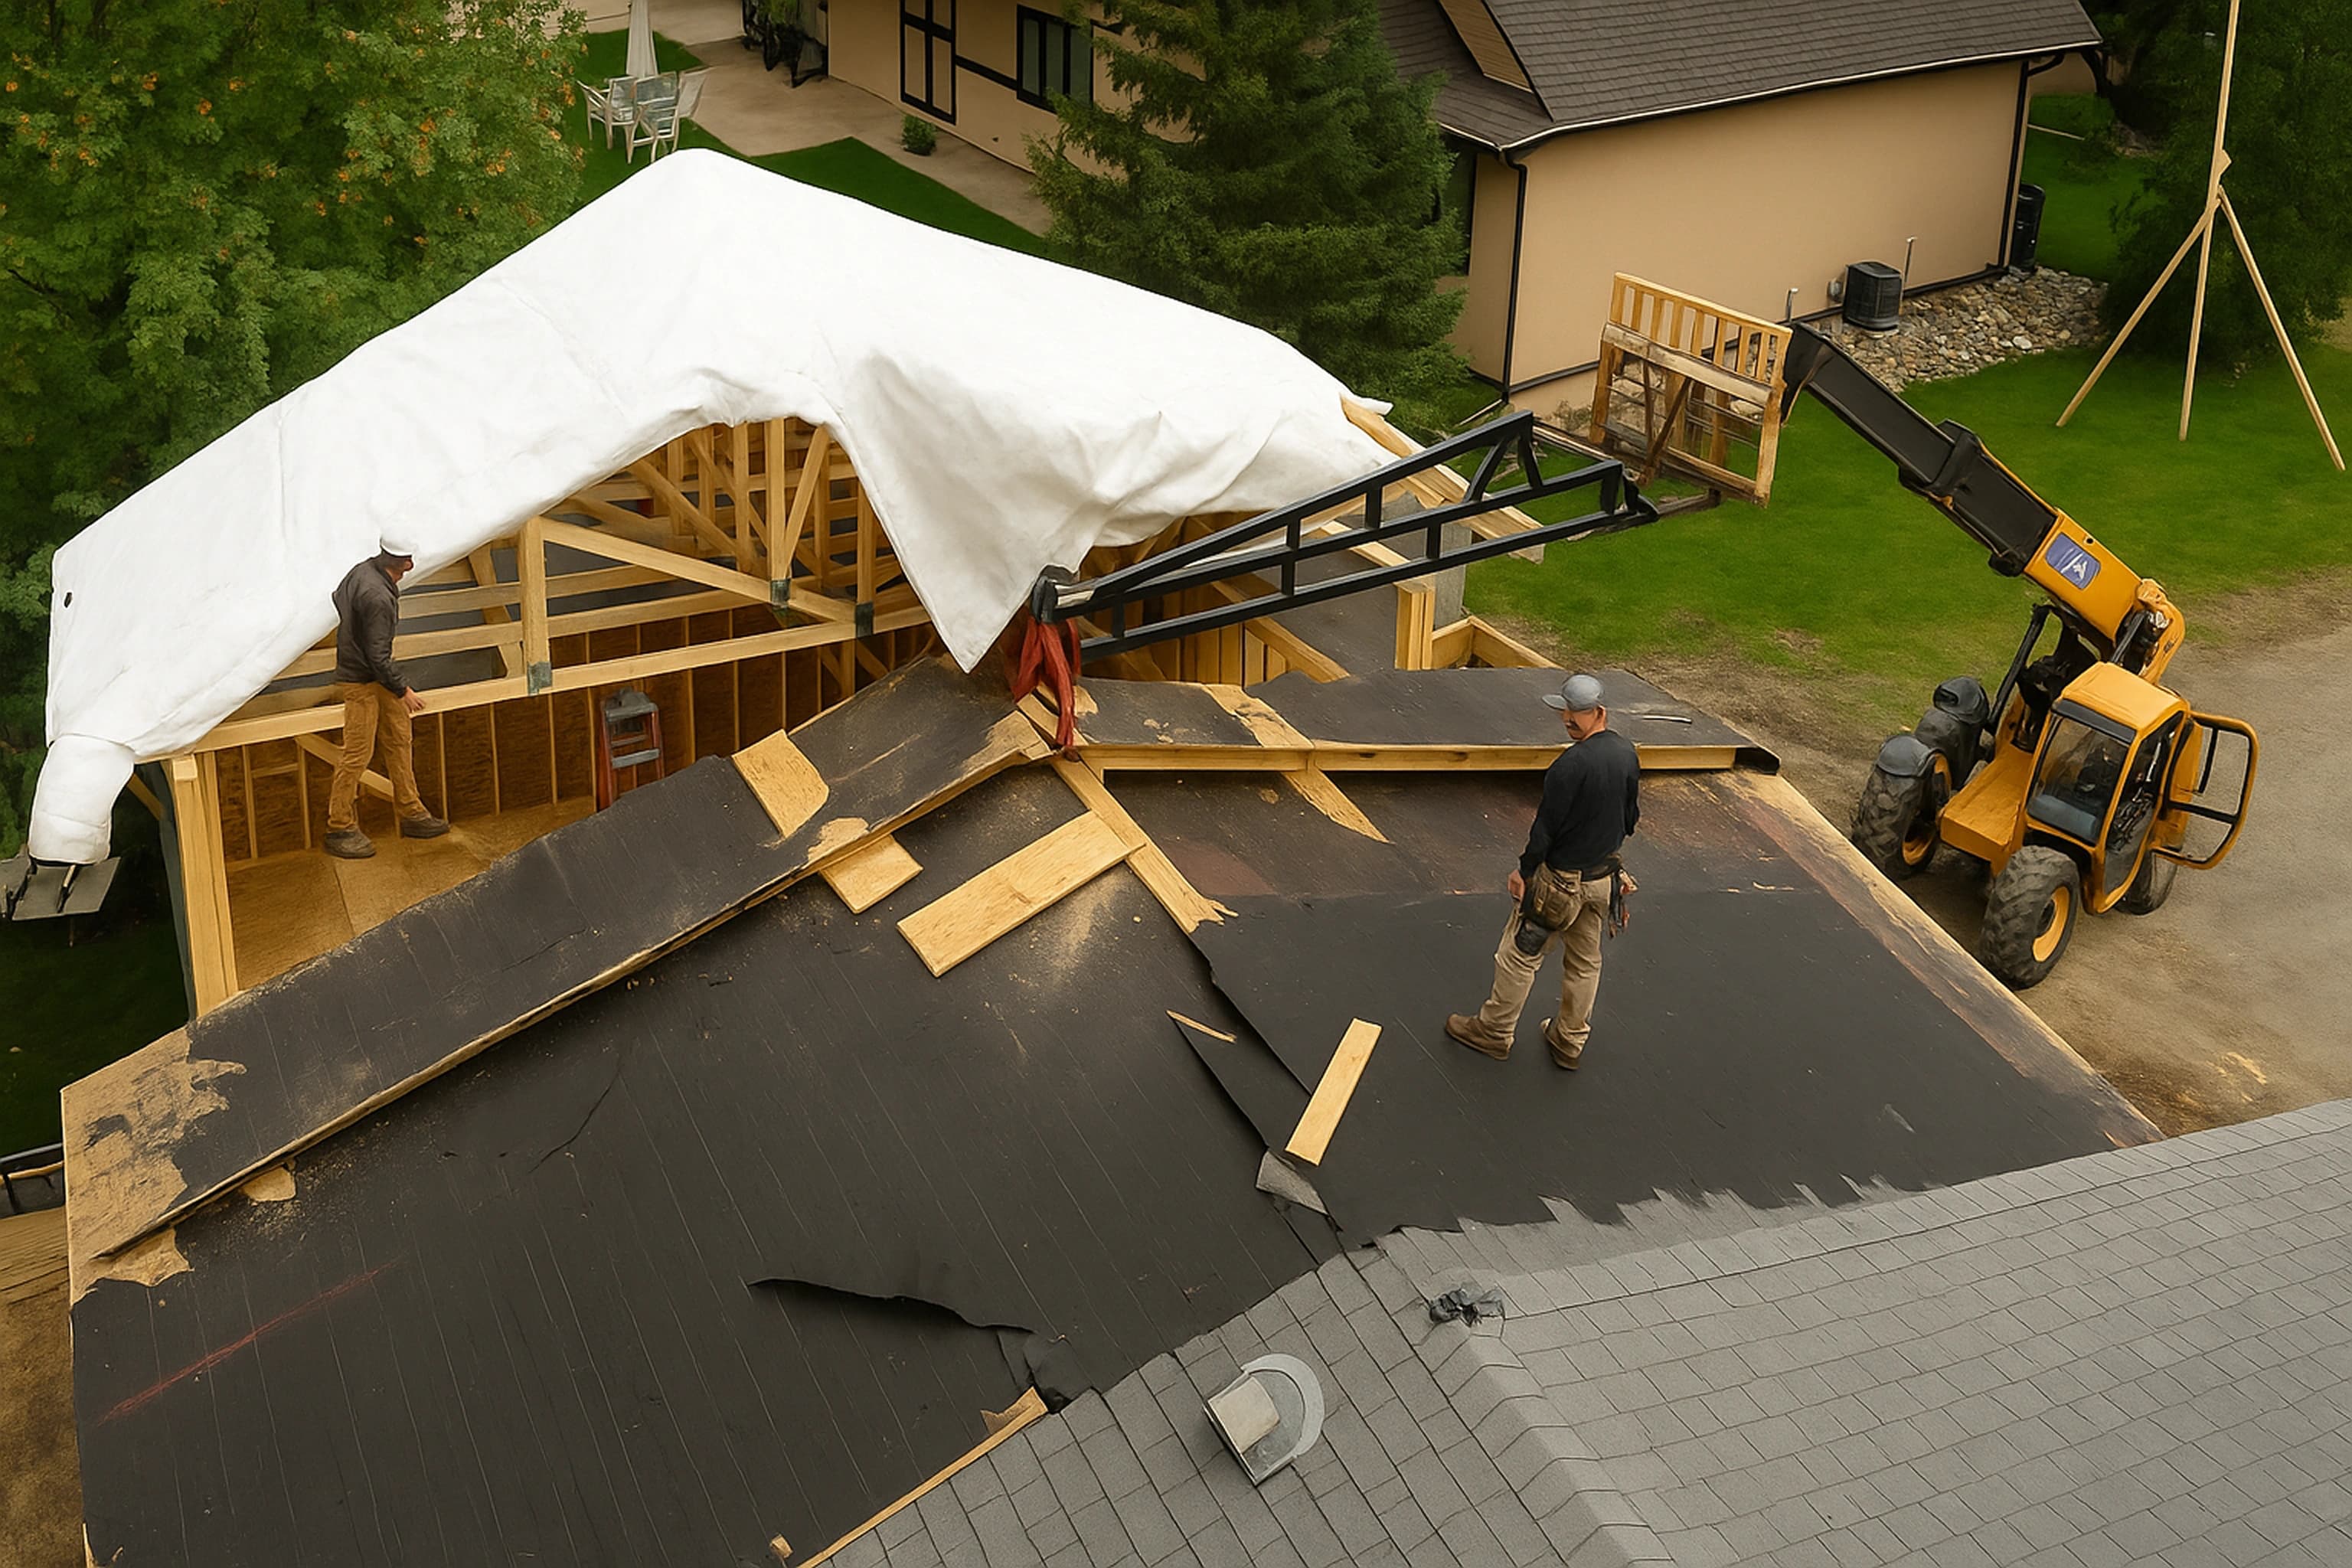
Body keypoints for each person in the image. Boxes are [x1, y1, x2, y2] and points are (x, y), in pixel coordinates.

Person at [1446, 672, 1639, 1070]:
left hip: (1559, 886)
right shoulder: (1626, 754)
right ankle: (1569, 1041)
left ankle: (1494, 1032)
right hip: (1602, 879)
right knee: (1586, 962)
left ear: (1599, 712)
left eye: (1576, 713)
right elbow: (1629, 818)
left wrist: (1525, 871)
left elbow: (1545, 829)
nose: (1568, 718)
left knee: (1518, 957)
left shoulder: (1568, 766)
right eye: (1565, 711)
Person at [324, 537, 448, 859]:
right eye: (410, 559)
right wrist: (403, 690)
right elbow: (379, 656)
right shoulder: (378, 596)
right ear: (405, 563)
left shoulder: (363, 570)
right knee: (357, 752)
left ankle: (412, 812)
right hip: (362, 681)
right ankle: (340, 826)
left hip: (372, 674)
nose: (412, 564)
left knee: (398, 739)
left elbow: (338, 597)